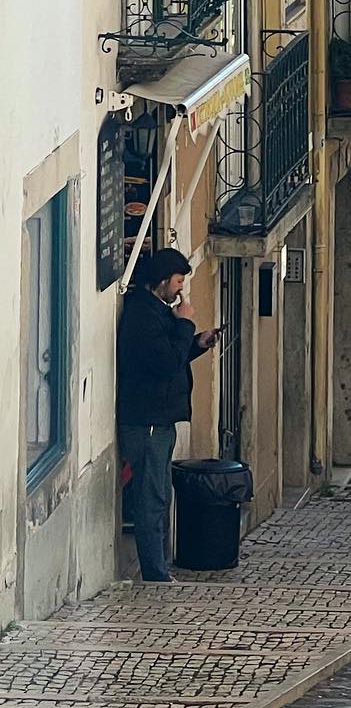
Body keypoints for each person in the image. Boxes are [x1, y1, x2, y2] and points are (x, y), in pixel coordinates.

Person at [117, 248, 220, 582]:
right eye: (178, 281)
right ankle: (155, 573)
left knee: (160, 495)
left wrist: (196, 343)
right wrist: (186, 324)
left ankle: (159, 568)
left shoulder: (158, 311)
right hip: (147, 421)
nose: (181, 289)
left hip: (160, 419)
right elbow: (162, 364)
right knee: (151, 498)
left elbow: (172, 356)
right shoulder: (141, 315)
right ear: (161, 280)